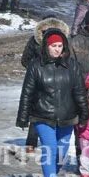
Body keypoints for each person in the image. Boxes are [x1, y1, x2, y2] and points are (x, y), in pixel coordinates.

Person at [16, 29, 89, 177]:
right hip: (42, 115)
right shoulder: (36, 66)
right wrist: (22, 117)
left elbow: (79, 92)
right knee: (50, 148)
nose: (57, 49)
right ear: (46, 47)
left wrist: (84, 113)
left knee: (61, 151)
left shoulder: (72, 66)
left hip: (67, 116)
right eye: (54, 46)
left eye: (60, 46)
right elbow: (27, 93)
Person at [20, 16, 71, 154]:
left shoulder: (63, 42)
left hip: (60, 82)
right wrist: (37, 71)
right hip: (40, 83)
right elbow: (25, 60)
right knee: (36, 113)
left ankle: (50, 141)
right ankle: (31, 143)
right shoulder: (35, 41)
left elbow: (70, 60)